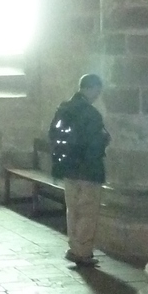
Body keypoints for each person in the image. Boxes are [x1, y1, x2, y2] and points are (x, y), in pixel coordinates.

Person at [48, 73, 111, 268]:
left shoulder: (63, 109)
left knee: (73, 210)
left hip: (68, 168)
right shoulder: (91, 114)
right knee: (87, 212)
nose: (97, 95)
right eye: (97, 91)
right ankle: (82, 252)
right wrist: (105, 138)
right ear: (90, 88)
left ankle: (74, 247)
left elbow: (53, 134)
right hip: (88, 171)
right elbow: (96, 144)